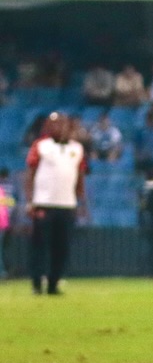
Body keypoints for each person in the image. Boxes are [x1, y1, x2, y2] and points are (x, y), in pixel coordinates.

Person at [25, 113, 86, 296]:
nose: (58, 128)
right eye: (54, 124)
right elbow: (30, 174)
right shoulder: (41, 146)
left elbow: (80, 178)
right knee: (40, 245)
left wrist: (81, 203)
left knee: (62, 247)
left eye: (61, 124)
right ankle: (37, 282)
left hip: (67, 204)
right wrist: (30, 200)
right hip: (44, 203)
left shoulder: (77, 149)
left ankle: (53, 282)